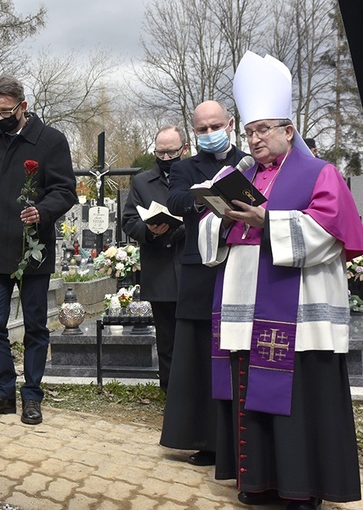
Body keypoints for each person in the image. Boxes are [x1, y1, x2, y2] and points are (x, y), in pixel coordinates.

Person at [200, 51, 363, 510]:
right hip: (245, 308)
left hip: (299, 315)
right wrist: (223, 219)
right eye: (249, 131)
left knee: (299, 400)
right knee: (250, 392)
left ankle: (302, 488)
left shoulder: (319, 172)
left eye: (263, 130)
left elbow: (332, 231)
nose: (254, 139)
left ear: (288, 130)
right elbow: (209, 233)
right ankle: (257, 483)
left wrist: (267, 220)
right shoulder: (235, 174)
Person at [0, 75, 77, 424]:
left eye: (6, 112)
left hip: (32, 250)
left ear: (23, 106)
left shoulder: (50, 141)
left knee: (36, 326)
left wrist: (43, 210)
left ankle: (33, 396)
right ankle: (3, 392)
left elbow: (65, 190)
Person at [163, 100, 248, 465]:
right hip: (201, 271)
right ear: (194, 132)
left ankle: (241, 439)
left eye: (216, 126)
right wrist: (207, 193)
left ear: (230, 124)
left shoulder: (248, 161)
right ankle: (204, 440)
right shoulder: (185, 167)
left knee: (236, 355)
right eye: (202, 129)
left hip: (241, 267)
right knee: (199, 357)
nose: (210, 134)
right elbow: (177, 199)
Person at [122, 125, 187, 392]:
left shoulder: (195, 177)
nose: (166, 158)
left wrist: (183, 226)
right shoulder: (142, 182)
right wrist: (148, 231)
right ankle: (170, 392)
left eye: (172, 152)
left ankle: (198, 394)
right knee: (168, 339)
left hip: (191, 266)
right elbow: (129, 220)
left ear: (184, 149)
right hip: (160, 268)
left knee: (196, 338)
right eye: (161, 152)